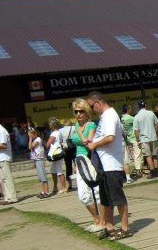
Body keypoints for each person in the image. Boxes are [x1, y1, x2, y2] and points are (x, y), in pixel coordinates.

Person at [86, 91, 131, 241]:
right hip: (104, 164)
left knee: (117, 198)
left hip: (112, 164)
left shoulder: (110, 115)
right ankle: (110, 227)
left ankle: (125, 228)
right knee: (106, 199)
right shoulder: (105, 117)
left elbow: (110, 138)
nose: (91, 110)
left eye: (91, 106)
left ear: (98, 102)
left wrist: (94, 144)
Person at [72, 98, 105, 232]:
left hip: (90, 160)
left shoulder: (91, 125)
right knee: (83, 194)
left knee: (97, 192)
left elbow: (89, 143)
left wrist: (80, 133)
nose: (78, 114)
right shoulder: (76, 126)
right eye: (76, 111)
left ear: (86, 112)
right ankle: (96, 218)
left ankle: (102, 221)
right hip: (80, 160)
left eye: (81, 111)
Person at [134, 100, 158, 179]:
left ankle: (152, 171)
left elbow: (136, 130)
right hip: (153, 137)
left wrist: (138, 140)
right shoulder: (151, 113)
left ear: (138, 107)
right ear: (145, 105)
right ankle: (156, 170)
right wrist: (155, 133)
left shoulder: (137, 117)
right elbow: (157, 125)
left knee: (148, 155)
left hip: (144, 138)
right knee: (155, 154)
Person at [45, 117, 67, 195]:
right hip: (58, 151)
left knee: (59, 170)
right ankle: (55, 187)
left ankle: (64, 187)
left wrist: (45, 144)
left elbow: (47, 144)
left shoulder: (54, 133)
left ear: (52, 125)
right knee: (53, 170)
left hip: (55, 153)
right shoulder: (59, 132)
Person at [27, 127, 49, 198]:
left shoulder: (38, 139)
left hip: (40, 159)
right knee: (40, 177)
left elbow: (30, 147)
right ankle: (43, 191)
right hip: (36, 159)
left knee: (43, 176)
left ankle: (47, 191)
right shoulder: (34, 140)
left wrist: (30, 138)